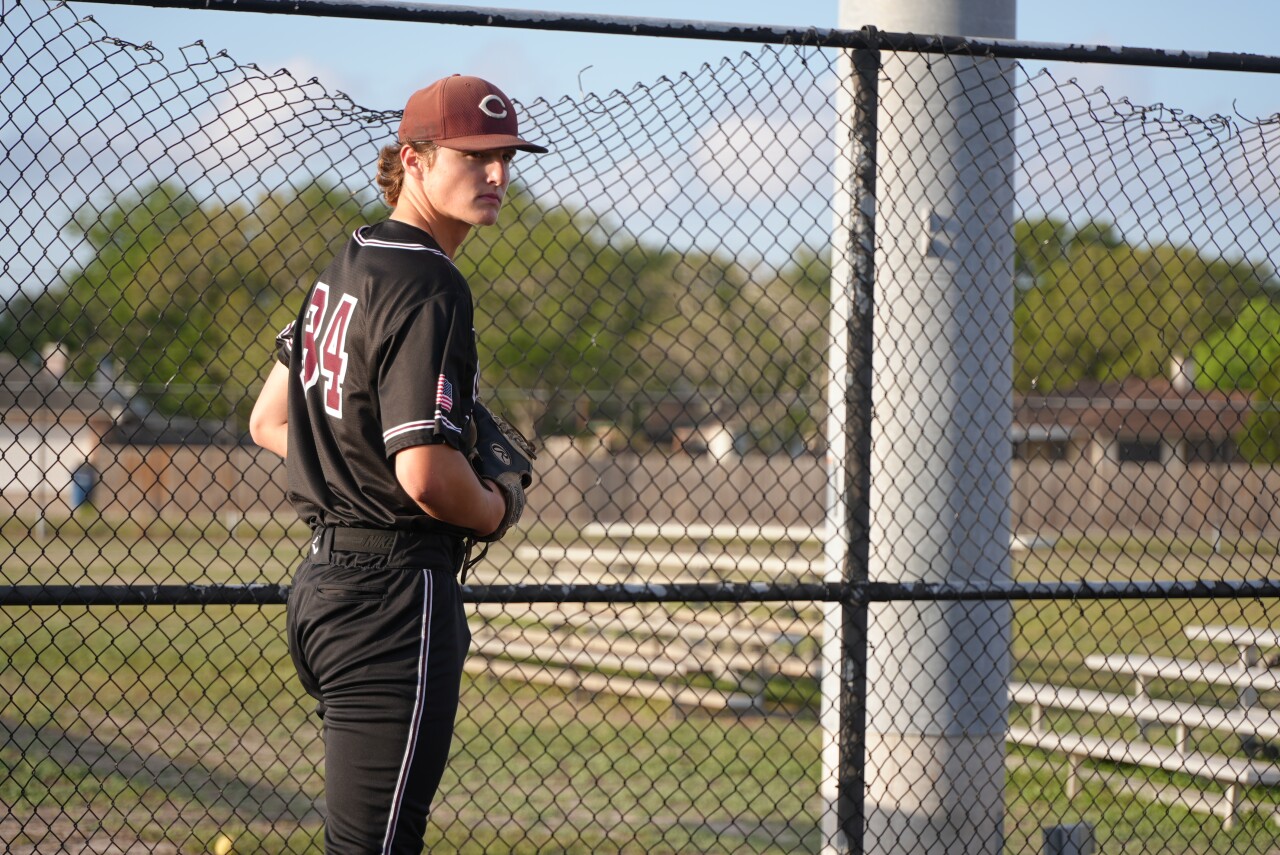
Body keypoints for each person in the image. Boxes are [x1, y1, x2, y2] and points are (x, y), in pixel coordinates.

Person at [249, 73, 547, 853]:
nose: (498, 175)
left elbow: (272, 419)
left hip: (323, 589)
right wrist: (495, 505)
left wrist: (366, 467)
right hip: (392, 597)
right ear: (412, 160)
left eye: (507, 156)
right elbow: (422, 474)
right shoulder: (431, 280)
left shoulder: (345, 264)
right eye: (474, 156)